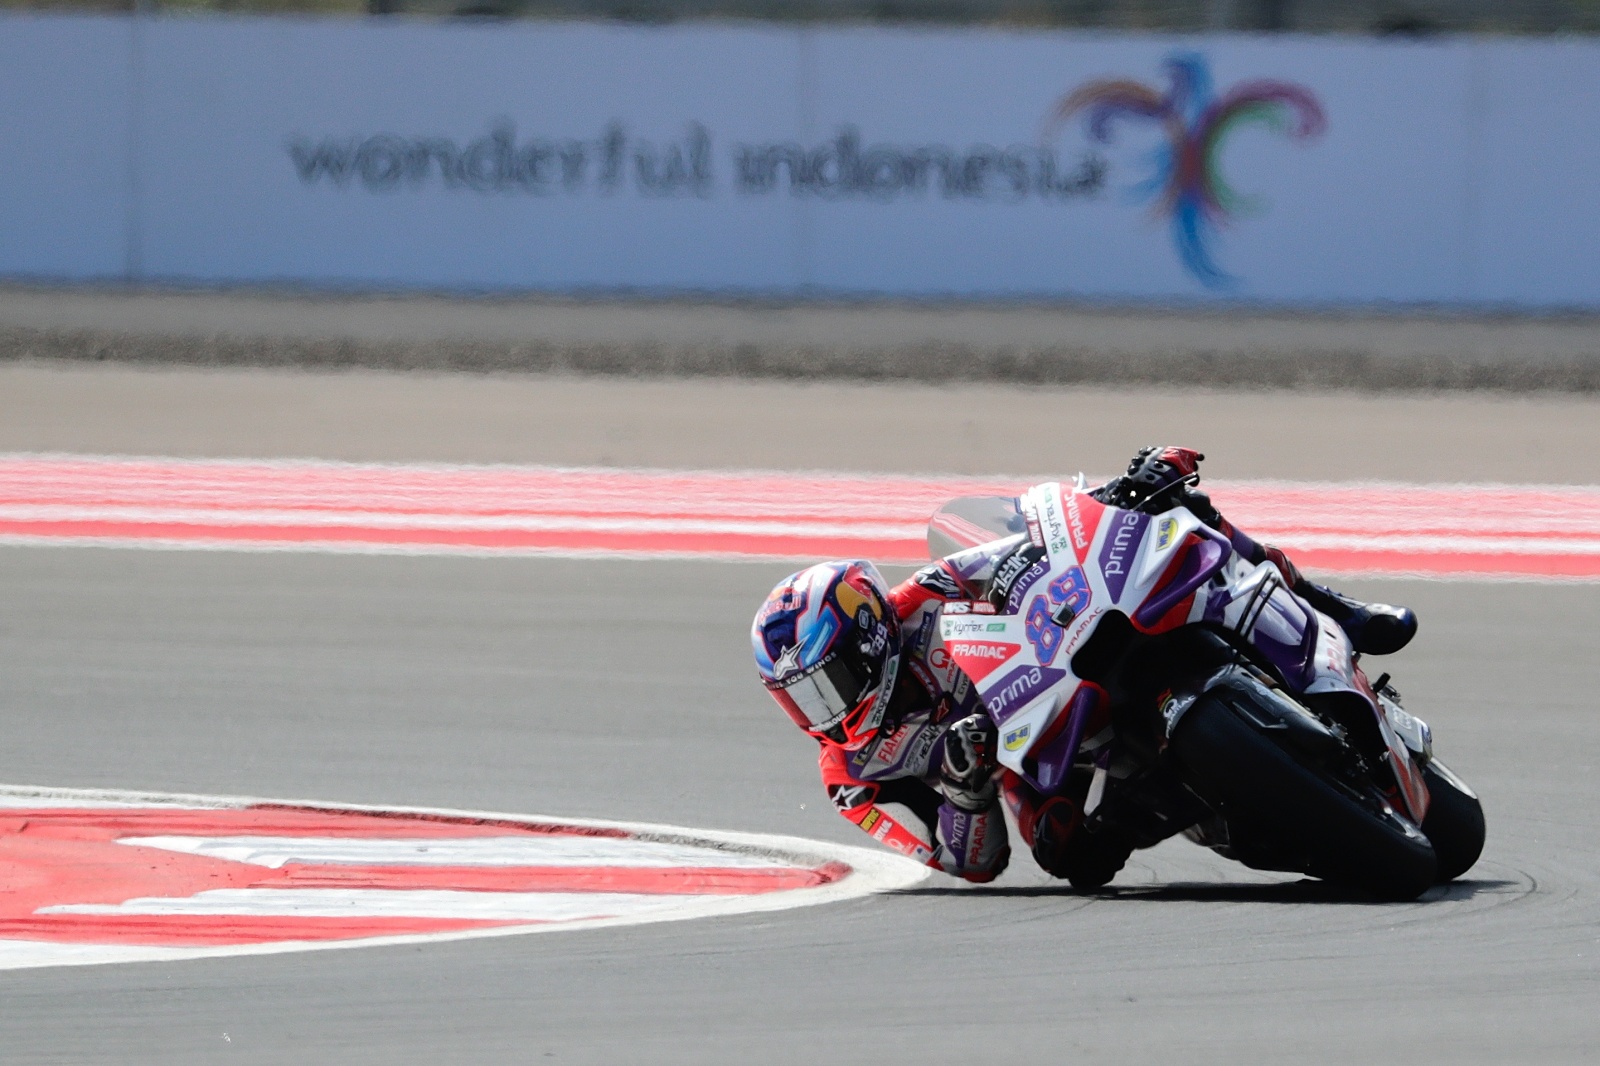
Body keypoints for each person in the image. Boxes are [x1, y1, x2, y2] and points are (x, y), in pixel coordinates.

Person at [749, 446, 1417, 886]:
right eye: (799, 701)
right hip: (1037, 759)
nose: (823, 713)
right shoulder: (851, 777)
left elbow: (1032, 537)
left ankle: (1331, 606)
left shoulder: (922, 596)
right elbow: (965, 861)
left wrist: (1118, 493)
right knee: (1068, 854)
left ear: (866, 637)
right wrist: (963, 786)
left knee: (1179, 510)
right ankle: (1170, 796)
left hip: (1066, 665)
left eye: (824, 685)